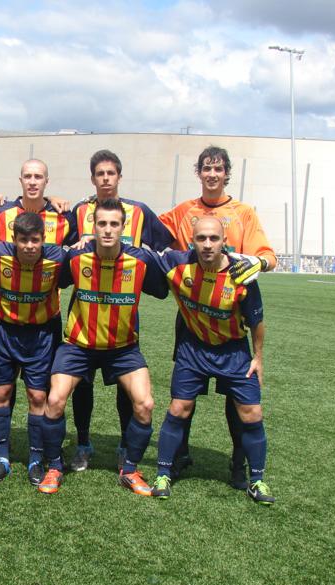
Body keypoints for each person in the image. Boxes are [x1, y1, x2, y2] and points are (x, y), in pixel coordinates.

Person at [158, 146, 277, 485]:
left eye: (218, 169)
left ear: (227, 173)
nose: (212, 174)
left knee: (238, 401)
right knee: (183, 398)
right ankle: (177, 457)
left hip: (231, 308)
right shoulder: (185, 211)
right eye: (206, 168)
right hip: (193, 314)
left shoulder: (243, 212)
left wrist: (259, 262)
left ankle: (239, 464)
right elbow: (148, 227)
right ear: (199, 173)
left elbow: (267, 255)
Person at [37, 199, 168, 494]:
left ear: (124, 228)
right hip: (78, 346)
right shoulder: (76, 258)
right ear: (93, 227)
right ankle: (55, 467)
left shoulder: (140, 262)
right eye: (102, 224)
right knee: (55, 400)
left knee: (145, 404)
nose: (107, 230)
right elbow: (52, 279)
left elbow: (162, 290)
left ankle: (131, 470)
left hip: (122, 348)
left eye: (114, 224)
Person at [149, 216, 275, 505]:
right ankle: (163, 473)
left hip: (233, 350)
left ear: (224, 241)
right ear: (192, 241)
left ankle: (256, 480)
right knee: (179, 408)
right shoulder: (176, 264)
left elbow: (257, 321)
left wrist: (258, 357)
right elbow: (143, 253)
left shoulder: (241, 274)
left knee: (251, 414)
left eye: (213, 239)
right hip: (193, 348)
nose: (207, 245)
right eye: (201, 238)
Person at [68, 150, 173, 473]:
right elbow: (69, 249)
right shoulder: (79, 210)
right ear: (92, 178)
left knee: (127, 388)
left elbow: (166, 245)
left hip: (123, 312)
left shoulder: (139, 212)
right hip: (86, 311)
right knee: (81, 385)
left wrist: (149, 255)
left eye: (110, 173)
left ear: (119, 177)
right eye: (99, 174)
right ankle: (83, 443)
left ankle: (125, 446)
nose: (105, 179)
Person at [0, 211, 66, 485]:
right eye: (23, 240)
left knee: (37, 397)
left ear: (43, 239)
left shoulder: (57, 258)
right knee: (1, 391)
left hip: (40, 334)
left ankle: (35, 458)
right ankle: (1, 457)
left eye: (35, 240)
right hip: (3, 331)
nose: (29, 246)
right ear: (14, 239)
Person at [0, 159, 77, 247]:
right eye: (27, 176)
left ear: (46, 181)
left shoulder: (63, 216)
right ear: (21, 181)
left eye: (38, 177)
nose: (32, 182)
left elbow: (76, 252)